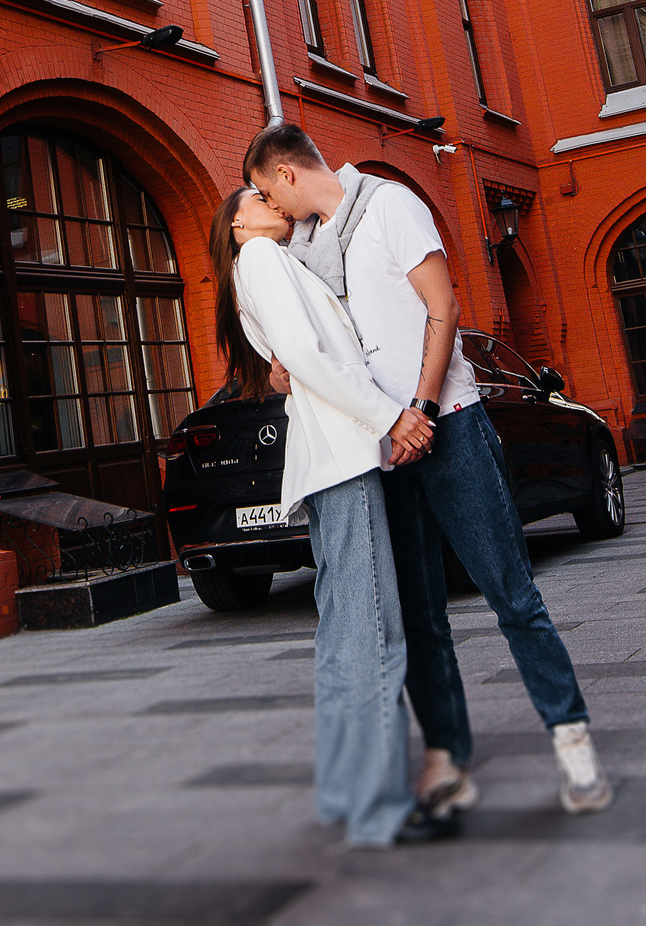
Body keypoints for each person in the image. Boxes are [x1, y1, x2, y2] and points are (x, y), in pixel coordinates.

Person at [244, 121, 612, 817]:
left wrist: (420, 408)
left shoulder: (390, 204)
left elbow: (443, 309)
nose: (271, 208)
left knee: (511, 591)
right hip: (380, 449)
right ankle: (447, 756)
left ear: (287, 173)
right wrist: (285, 364)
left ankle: (571, 738)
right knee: (418, 612)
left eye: (268, 191)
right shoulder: (305, 250)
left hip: (451, 426)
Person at [208, 187, 452, 847]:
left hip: (332, 461)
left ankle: (350, 792)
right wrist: (390, 415)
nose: (275, 203)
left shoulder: (262, 264)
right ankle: (378, 807)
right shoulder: (259, 257)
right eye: (260, 196)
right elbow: (313, 359)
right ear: (237, 222)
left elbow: (299, 356)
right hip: (343, 459)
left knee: (347, 632)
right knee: (374, 630)